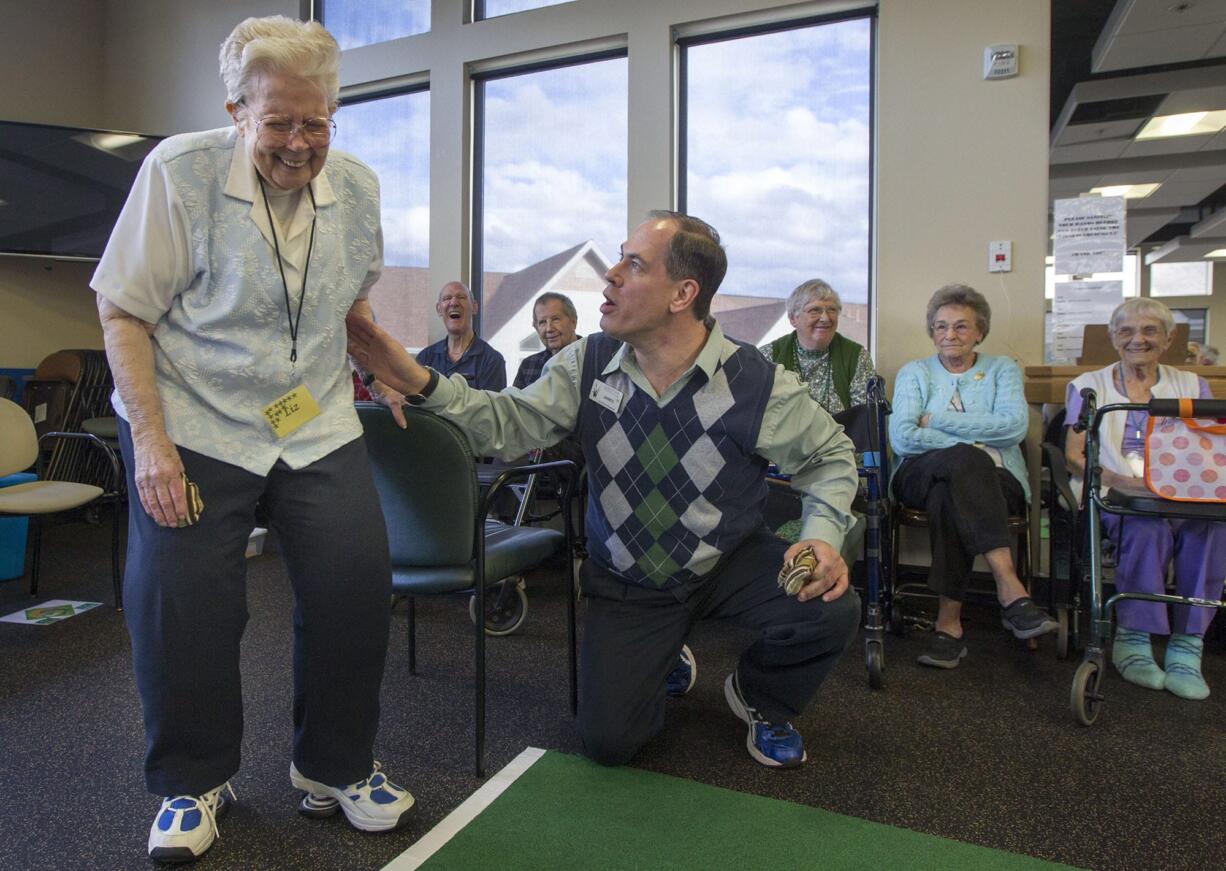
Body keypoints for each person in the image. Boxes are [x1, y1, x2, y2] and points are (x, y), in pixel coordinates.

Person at [349, 211, 861, 769]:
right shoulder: (588, 363)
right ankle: (665, 656)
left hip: (726, 563)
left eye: (633, 264)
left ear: (682, 293)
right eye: (618, 257)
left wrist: (822, 537)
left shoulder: (756, 383)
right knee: (610, 743)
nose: (611, 275)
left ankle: (761, 697)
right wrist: (419, 380)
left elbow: (830, 457)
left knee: (830, 606)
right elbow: (505, 422)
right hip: (630, 580)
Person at [92, 16, 413, 863]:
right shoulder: (179, 173)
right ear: (237, 111)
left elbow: (348, 304)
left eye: (317, 121)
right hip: (192, 418)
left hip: (310, 418)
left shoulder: (358, 187)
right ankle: (193, 780)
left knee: (353, 581)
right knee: (184, 605)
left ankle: (334, 767)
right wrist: (153, 446)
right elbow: (122, 309)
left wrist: (382, 369)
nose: (300, 142)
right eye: (279, 122)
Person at [1064, 298, 1226, 700]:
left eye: (1150, 330)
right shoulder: (1089, 384)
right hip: (1114, 491)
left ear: (1169, 338)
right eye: (1127, 331)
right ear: (1113, 338)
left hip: (1183, 494)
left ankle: (1188, 645)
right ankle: (1133, 640)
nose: (1139, 339)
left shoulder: (1192, 384)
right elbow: (1074, 454)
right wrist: (1118, 479)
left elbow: (1207, 449)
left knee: (1210, 530)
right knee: (1144, 528)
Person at [889, 283, 1057, 669]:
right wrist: (974, 437)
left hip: (996, 481)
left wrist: (938, 421)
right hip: (920, 472)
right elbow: (903, 436)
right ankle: (1010, 587)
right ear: (931, 331)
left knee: (951, 493)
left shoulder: (1002, 369)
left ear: (980, 331)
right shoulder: (915, 373)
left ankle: (948, 625)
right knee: (966, 458)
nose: (950, 334)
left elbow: (1014, 428)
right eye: (940, 326)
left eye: (961, 327)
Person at [759, 278, 875, 414]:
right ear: (793, 319)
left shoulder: (857, 357)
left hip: (841, 435)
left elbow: (864, 420)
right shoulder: (767, 357)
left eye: (832, 310)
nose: (825, 318)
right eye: (815, 310)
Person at [416, 281, 506, 389]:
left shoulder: (491, 360)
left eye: (461, 297)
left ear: (474, 307)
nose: (454, 302)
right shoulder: (425, 358)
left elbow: (490, 405)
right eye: (447, 298)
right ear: (439, 309)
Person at [514, 292, 581, 388]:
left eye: (555, 319)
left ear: (573, 322)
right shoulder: (528, 366)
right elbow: (515, 403)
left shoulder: (594, 358)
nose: (549, 328)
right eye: (542, 322)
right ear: (536, 328)